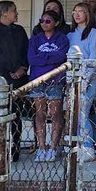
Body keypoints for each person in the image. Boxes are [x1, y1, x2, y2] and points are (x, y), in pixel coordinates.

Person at [0, 0, 30, 157]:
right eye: (13, 10)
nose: (16, 13)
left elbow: (26, 51)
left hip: (18, 80)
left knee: (16, 114)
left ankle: (15, 148)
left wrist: (22, 69)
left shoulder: (19, 31)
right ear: (4, 12)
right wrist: (12, 69)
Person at [27, 9, 70, 160]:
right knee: (40, 113)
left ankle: (53, 147)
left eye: (48, 21)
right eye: (42, 21)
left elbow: (61, 57)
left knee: (55, 113)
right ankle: (41, 147)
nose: (44, 23)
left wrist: (42, 57)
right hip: (37, 80)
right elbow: (31, 59)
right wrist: (50, 58)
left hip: (56, 80)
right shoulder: (35, 39)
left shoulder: (62, 38)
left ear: (56, 23)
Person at [68, 2, 96, 160]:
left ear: (88, 14)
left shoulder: (94, 34)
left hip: (90, 78)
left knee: (82, 110)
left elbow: (94, 59)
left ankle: (88, 147)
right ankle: (83, 145)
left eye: (81, 11)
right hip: (72, 79)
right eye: (74, 11)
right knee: (77, 112)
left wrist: (85, 79)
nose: (77, 14)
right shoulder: (70, 35)